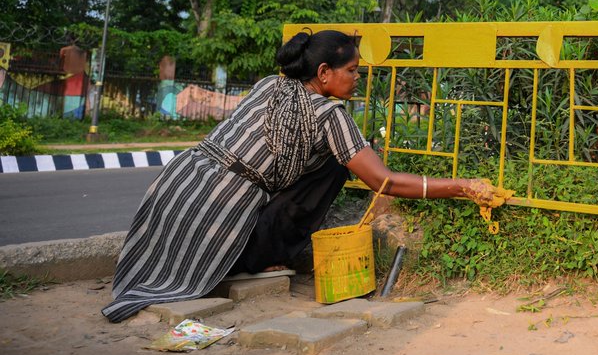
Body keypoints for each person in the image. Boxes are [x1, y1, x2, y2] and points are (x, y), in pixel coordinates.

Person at [102, 29, 503, 322]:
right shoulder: (329, 114)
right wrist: (463, 187)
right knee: (336, 164)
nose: (358, 78)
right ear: (325, 72)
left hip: (175, 190)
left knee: (329, 159)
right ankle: (259, 256)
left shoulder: (268, 86)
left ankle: (239, 253)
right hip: (218, 213)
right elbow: (385, 182)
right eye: (353, 70)